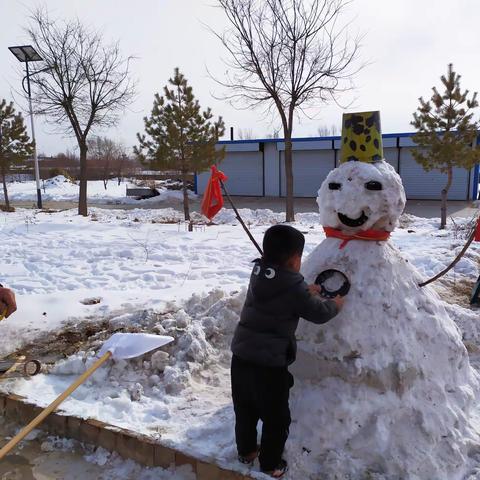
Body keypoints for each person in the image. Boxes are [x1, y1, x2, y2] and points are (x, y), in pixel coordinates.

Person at [230, 225, 344, 478]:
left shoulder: (259, 272)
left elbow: (281, 293)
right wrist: (335, 304)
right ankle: (270, 463)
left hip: (241, 356)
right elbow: (318, 313)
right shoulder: (293, 289)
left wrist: (306, 291)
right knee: (276, 418)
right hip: (269, 364)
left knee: (244, 408)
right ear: (295, 259)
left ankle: (247, 451)